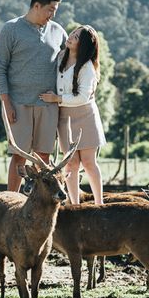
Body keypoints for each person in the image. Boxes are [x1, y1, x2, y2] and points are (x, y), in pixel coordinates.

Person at [0, 0, 68, 192]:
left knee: (44, 157)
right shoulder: (11, 29)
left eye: (55, 11)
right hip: (17, 103)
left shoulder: (58, 32)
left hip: (48, 105)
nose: (52, 15)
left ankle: (38, 207)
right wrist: (6, 103)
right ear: (36, 5)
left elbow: (71, 63)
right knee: (19, 156)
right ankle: (10, 202)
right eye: (50, 9)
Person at [39, 25, 106, 205]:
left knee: (89, 162)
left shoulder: (87, 67)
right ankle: (74, 204)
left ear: (83, 44)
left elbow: (83, 96)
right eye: (73, 33)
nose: (71, 37)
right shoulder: (61, 57)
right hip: (64, 117)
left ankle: (99, 204)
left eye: (76, 37)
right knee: (70, 164)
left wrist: (56, 98)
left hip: (85, 116)